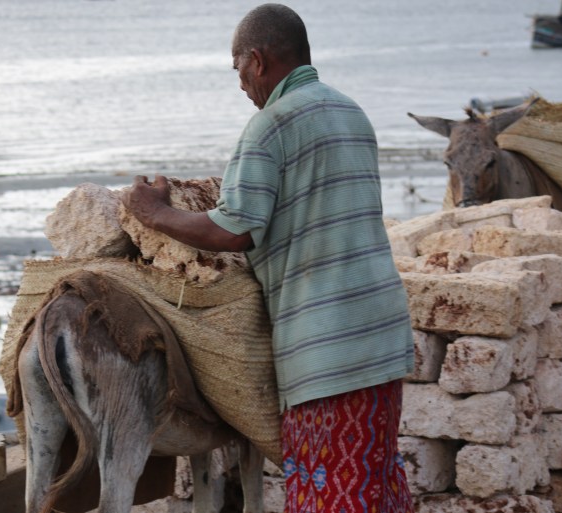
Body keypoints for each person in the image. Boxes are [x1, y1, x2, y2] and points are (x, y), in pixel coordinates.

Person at [122, 4, 415, 512]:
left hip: (327, 347)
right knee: (374, 481)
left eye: (237, 68)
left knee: (331, 493)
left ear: (256, 60)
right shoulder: (350, 111)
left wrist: (154, 213)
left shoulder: (270, 126)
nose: (239, 84)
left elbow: (232, 230)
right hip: (382, 332)